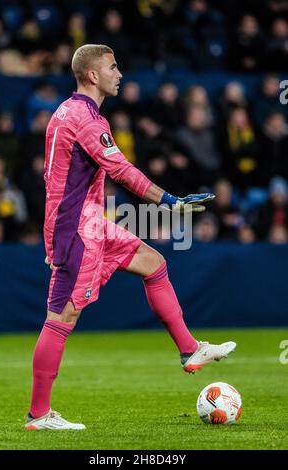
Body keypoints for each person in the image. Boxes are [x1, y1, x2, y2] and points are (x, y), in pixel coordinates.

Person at [25, 44, 236, 431]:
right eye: (113, 67)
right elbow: (122, 171)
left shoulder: (69, 112)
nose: (120, 74)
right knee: (61, 317)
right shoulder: (87, 120)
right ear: (92, 75)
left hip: (86, 223)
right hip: (77, 229)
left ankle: (190, 350)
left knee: (154, 263)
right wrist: (170, 200)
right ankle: (39, 415)